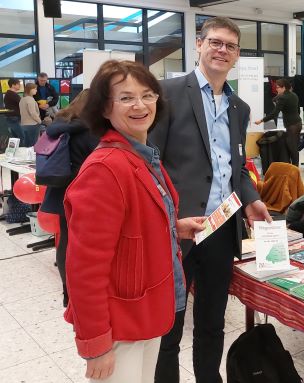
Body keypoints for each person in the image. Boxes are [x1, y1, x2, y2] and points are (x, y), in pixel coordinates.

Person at [63, 60, 206, 383]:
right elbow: (84, 267)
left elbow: (131, 227)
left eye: (147, 95)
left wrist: (174, 227)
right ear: (104, 108)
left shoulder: (141, 155)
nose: (140, 105)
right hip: (120, 324)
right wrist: (96, 344)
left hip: (146, 313)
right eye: (126, 98)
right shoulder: (105, 168)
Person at [149, 16, 270, 383]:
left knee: (212, 322)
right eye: (215, 42)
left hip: (221, 229)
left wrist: (250, 198)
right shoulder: (166, 94)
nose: (222, 50)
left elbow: (234, 167)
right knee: (169, 325)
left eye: (230, 46)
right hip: (180, 230)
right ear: (199, 44)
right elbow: (151, 163)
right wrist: (168, 221)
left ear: (236, 56)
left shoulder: (239, 108)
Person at [39, 89, 99, 307]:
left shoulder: (59, 124)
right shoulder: (91, 130)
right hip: (85, 192)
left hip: (60, 189)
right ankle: (82, 293)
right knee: (87, 245)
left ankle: (67, 291)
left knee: (66, 240)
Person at [255, 78, 303, 166]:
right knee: (294, 147)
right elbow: (275, 99)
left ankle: (294, 169)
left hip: (291, 125)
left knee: (292, 148)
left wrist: (261, 120)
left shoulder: (283, 98)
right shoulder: (293, 95)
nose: (276, 89)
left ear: (283, 87)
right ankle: (295, 168)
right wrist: (277, 97)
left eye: (278, 88)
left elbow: (274, 114)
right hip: (298, 123)